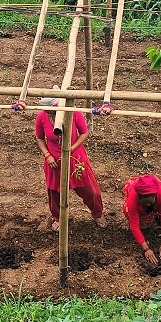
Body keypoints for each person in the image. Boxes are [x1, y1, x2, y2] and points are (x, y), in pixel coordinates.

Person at [35, 92, 105, 231]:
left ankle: (97, 213)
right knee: (55, 193)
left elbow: (84, 133)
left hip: (75, 159)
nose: (47, 112)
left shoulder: (73, 113)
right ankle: (58, 218)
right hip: (54, 162)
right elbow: (40, 138)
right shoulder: (42, 117)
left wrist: (70, 149)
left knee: (90, 191)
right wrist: (47, 155)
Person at [122, 174, 161, 265]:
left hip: (156, 191)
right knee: (142, 224)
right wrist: (146, 249)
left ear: (155, 196)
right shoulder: (133, 199)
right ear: (139, 199)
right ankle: (151, 216)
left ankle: (156, 216)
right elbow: (134, 226)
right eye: (145, 204)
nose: (147, 205)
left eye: (150, 203)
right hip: (136, 196)